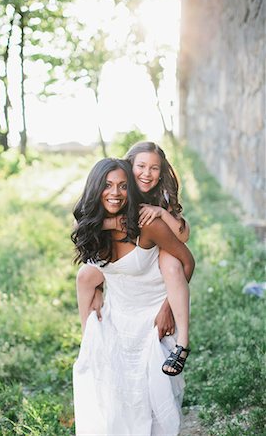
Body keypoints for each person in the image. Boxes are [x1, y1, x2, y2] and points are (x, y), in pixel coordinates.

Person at [72, 158, 195, 435]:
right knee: (116, 396)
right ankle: (88, 345)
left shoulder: (146, 225)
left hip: (153, 315)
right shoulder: (94, 226)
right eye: (107, 185)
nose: (115, 192)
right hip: (120, 314)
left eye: (123, 186)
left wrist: (167, 309)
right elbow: (93, 273)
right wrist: (99, 290)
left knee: (154, 399)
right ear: (95, 188)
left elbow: (187, 262)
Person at [76, 142, 192, 375]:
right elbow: (86, 225)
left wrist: (160, 212)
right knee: (85, 275)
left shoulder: (161, 196)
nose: (146, 173)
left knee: (171, 266)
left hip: (160, 245)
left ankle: (183, 344)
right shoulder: (120, 184)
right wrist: (112, 222)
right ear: (129, 166)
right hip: (131, 251)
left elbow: (183, 236)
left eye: (154, 168)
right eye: (141, 166)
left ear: (161, 173)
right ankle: (87, 340)